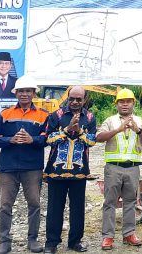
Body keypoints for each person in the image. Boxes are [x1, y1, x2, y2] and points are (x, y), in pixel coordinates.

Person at [0, 76, 49, 254]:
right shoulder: (5, 114)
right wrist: (10, 140)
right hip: (8, 168)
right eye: (21, 91)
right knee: (5, 205)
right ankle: (5, 242)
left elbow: (48, 139)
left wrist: (33, 139)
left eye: (28, 91)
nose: (24, 94)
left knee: (34, 204)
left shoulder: (43, 115)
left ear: (33, 94)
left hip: (32, 168)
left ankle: (33, 240)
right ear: (15, 93)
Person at [96, 88, 142, 250]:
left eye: (128, 101)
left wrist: (138, 130)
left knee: (130, 202)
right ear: (116, 104)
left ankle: (129, 234)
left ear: (133, 103)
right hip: (113, 167)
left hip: (133, 168)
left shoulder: (140, 121)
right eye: (122, 101)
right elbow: (99, 137)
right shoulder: (110, 120)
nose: (125, 104)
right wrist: (118, 129)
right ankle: (108, 237)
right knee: (110, 202)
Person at [43, 86, 97, 253]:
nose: (74, 102)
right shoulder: (56, 115)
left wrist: (79, 131)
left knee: (78, 208)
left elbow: (92, 141)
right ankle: (51, 243)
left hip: (79, 170)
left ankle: (75, 241)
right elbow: (48, 139)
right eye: (72, 98)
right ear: (68, 96)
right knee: (54, 208)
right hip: (56, 170)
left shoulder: (89, 117)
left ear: (84, 100)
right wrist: (66, 131)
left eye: (78, 99)